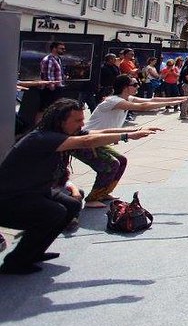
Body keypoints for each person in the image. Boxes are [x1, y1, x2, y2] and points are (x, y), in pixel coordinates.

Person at [0, 99, 161, 274]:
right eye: (77, 120)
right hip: (9, 200)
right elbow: (87, 141)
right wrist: (127, 136)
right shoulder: (42, 138)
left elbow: (97, 132)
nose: (82, 124)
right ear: (61, 121)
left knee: (72, 205)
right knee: (55, 212)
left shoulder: (59, 134)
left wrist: (133, 131)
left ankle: (33, 252)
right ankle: (15, 262)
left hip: (35, 192)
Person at [76, 75, 188, 208]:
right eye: (135, 84)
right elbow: (143, 106)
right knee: (111, 164)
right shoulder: (113, 101)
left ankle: (104, 192)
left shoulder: (126, 98)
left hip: (100, 140)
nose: (138, 86)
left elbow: (151, 100)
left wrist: (178, 99)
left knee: (121, 161)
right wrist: (172, 103)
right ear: (125, 87)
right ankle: (92, 199)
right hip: (86, 141)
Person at [38, 40, 66, 116]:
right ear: (54, 48)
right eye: (61, 48)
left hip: (58, 87)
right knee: (44, 109)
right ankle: (39, 126)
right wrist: (52, 88)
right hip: (49, 89)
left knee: (55, 110)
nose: (64, 50)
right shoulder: (48, 60)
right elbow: (46, 75)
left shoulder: (58, 59)